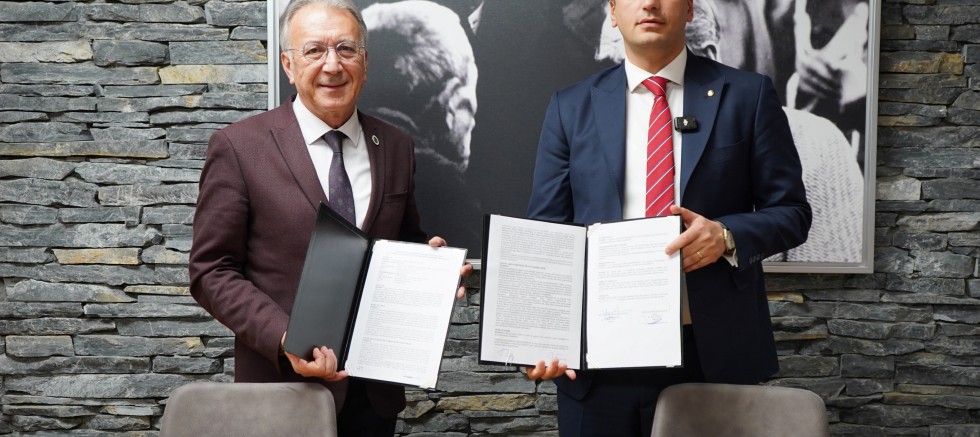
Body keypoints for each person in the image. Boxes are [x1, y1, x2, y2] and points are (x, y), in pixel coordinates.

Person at [523, 0, 812, 436]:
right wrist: (541, 337)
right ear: (612, 11)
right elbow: (548, 235)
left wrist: (727, 235)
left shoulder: (747, 95)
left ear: (690, 9)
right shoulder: (571, 106)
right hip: (597, 363)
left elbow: (792, 212)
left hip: (708, 356)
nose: (650, 4)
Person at [188, 1, 470, 435]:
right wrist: (285, 338)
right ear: (288, 64)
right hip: (281, 391)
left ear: (365, 62)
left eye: (346, 48)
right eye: (314, 50)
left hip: (373, 397)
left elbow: (401, 240)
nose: (332, 65)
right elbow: (211, 270)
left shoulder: (396, 146)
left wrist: (432, 265)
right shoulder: (239, 147)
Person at [358, 0, 483, 248]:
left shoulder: (337, 159)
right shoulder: (445, 185)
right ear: (452, 101)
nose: (472, 123)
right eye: (468, 105)